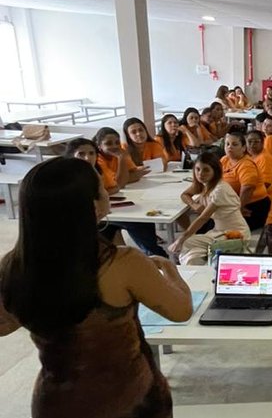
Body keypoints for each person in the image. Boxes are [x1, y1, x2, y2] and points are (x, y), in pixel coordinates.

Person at [0, 157, 192, 418]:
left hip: (55, 403)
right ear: (92, 206)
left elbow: (4, 325)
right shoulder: (122, 263)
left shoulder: (13, 266)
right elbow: (181, 310)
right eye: (103, 188)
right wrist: (171, 272)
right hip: (130, 402)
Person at [172, 152, 252, 265]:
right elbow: (185, 195)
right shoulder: (205, 184)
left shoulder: (220, 189)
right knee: (191, 253)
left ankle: (196, 269)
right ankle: (194, 270)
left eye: (206, 170)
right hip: (218, 231)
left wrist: (182, 237)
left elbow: (203, 218)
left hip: (235, 234)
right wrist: (194, 205)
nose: (200, 174)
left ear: (215, 171)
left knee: (186, 243)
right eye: (198, 169)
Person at [221, 132, 271, 231]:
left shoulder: (246, 164)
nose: (230, 147)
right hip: (232, 203)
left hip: (252, 206)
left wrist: (238, 209)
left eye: (234, 144)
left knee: (223, 228)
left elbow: (248, 188)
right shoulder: (224, 160)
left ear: (243, 148)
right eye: (227, 144)